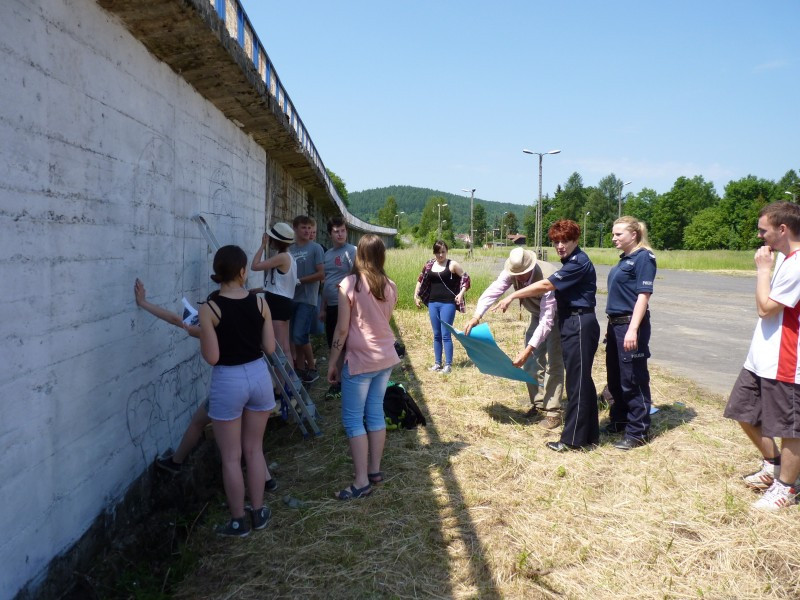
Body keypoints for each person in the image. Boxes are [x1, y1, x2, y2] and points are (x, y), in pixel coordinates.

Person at [133, 279, 279, 491]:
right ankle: (267, 480)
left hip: (229, 386)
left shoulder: (210, 326)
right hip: (257, 381)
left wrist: (144, 303)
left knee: (201, 424)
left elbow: (175, 319)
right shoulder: (251, 314)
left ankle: (176, 461)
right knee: (252, 444)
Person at [495, 220, 600, 452]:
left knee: (577, 383)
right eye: (556, 242)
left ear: (576, 240)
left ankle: (572, 440)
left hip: (579, 321)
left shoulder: (577, 263)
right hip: (573, 321)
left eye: (565, 241)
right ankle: (590, 435)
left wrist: (513, 297)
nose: (560, 246)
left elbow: (544, 286)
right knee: (581, 380)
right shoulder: (570, 261)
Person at [723, 201, 800, 510]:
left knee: (788, 428)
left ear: (782, 229)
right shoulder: (784, 258)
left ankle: (786, 488)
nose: (759, 236)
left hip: (786, 359)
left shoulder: (796, 264)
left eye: (763, 230)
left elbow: (765, 307)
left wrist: (762, 270)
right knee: (742, 410)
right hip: (761, 357)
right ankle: (774, 464)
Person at [198, 245, 276, 536]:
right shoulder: (260, 303)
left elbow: (212, 357)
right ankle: (258, 512)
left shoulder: (209, 309)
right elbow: (269, 347)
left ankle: (237, 521)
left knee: (231, 457)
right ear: (243, 271)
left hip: (228, 380)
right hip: (258, 376)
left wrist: (204, 333)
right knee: (254, 450)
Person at [327, 235, 400, 499]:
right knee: (375, 413)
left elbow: (343, 328)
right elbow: (383, 322)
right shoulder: (390, 285)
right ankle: (374, 471)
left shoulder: (349, 284)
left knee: (352, 419)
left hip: (360, 360)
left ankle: (360, 482)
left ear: (359, 254)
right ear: (381, 255)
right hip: (385, 358)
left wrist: (333, 361)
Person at [464, 247, 564, 429]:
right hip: (537, 315)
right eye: (516, 275)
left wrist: (528, 349)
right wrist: (476, 316)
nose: (519, 278)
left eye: (524, 274)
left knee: (554, 363)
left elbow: (547, 319)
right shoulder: (513, 271)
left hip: (557, 317)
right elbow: (494, 290)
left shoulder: (548, 276)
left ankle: (553, 412)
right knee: (532, 362)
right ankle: (539, 403)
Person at [605, 216, 657, 449]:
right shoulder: (625, 259)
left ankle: (638, 431)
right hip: (616, 324)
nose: (614, 238)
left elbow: (643, 297)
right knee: (615, 377)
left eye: (619, 234)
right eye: (613, 234)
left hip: (629, 324)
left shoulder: (644, 258)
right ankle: (620, 419)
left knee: (633, 378)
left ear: (633, 235)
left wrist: (633, 329)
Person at [413, 240, 470, 374]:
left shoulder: (452, 265)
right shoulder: (429, 265)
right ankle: (437, 363)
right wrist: (415, 295)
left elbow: (466, 279)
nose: (440, 255)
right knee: (436, 335)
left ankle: (448, 365)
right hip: (433, 303)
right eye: (438, 252)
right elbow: (420, 279)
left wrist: (461, 294)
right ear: (434, 252)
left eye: (443, 252)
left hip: (448, 303)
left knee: (445, 334)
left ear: (447, 251)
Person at [319, 216, 356, 400]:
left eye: (343, 230)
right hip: (331, 305)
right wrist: (323, 308)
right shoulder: (327, 255)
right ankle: (340, 381)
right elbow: (325, 282)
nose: (340, 234)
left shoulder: (352, 251)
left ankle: (347, 381)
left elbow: (357, 275)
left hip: (346, 305)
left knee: (346, 343)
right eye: (336, 231)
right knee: (333, 345)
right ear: (330, 234)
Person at [251, 222, 297, 359]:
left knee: (278, 348)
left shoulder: (282, 257)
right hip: (284, 302)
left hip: (278, 304)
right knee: (285, 347)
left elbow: (255, 266)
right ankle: (287, 378)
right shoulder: (288, 256)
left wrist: (262, 245)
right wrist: (260, 289)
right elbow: (281, 285)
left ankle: (280, 380)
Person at [288, 216, 325, 384]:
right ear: (295, 229)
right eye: (303, 227)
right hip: (291, 298)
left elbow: (321, 274)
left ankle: (312, 368)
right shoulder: (290, 249)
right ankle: (301, 370)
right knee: (297, 336)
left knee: (299, 334)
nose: (308, 231)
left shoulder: (316, 248)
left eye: (310, 228)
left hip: (308, 298)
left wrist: (300, 280)